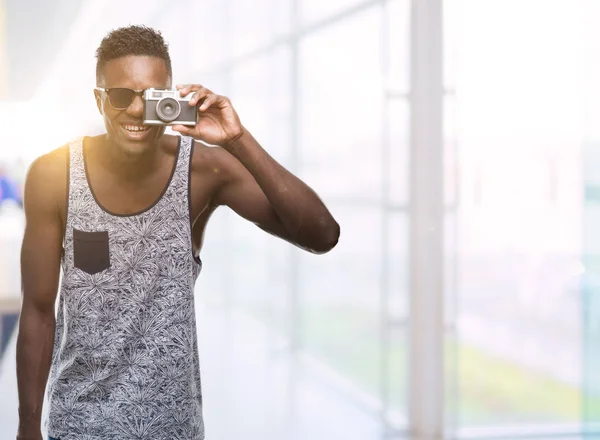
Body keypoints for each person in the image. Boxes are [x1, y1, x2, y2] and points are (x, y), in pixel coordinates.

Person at [16, 25, 340, 440]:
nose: (135, 112)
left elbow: (322, 235)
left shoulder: (205, 170)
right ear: (99, 100)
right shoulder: (54, 174)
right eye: (120, 96)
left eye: (151, 98)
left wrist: (237, 140)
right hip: (79, 423)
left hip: (173, 427)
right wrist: (27, 427)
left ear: (171, 96)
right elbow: (39, 311)